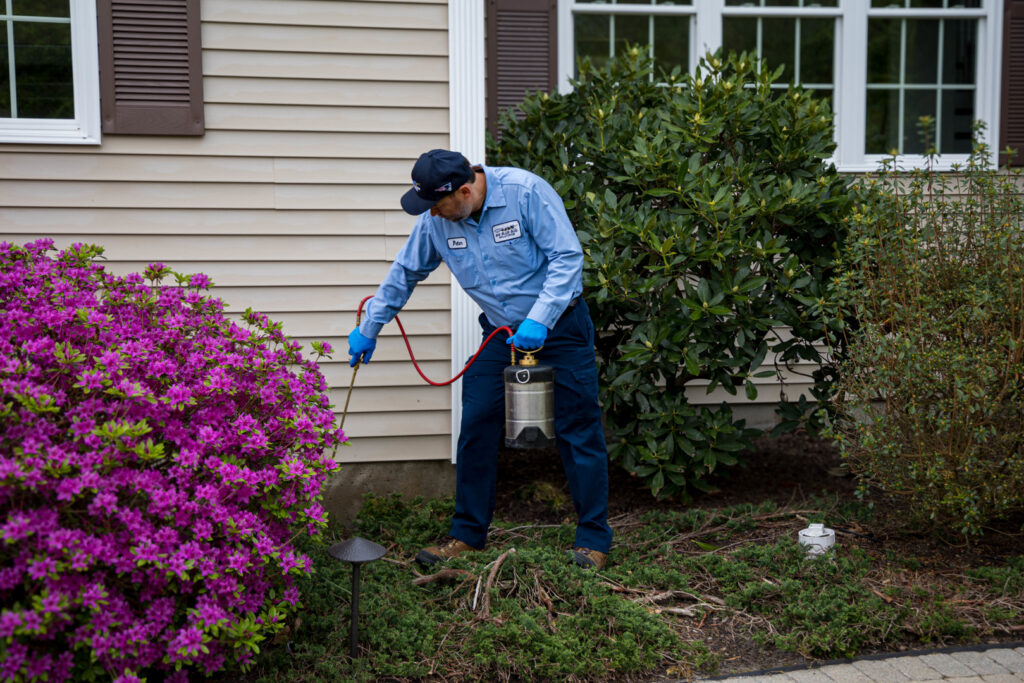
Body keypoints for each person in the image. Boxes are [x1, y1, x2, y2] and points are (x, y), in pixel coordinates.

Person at [347, 149, 612, 570]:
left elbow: (567, 258)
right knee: (476, 424)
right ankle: (467, 535)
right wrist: (369, 326)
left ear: (465, 191)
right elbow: (405, 272)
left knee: (578, 427)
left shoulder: (525, 193)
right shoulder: (437, 221)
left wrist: (541, 318)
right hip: (503, 333)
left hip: (559, 327)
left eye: (437, 205)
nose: (432, 214)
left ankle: (593, 541)